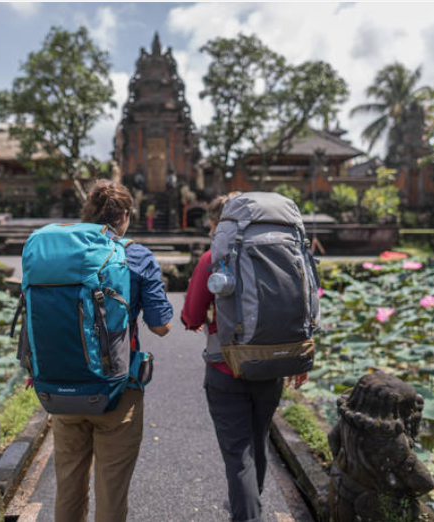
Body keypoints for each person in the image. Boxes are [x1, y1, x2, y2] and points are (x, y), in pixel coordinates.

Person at [181, 195, 308, 522]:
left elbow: (191, 316)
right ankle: (249, 503)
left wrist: (205, 319)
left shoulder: (213, 257)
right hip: (274, 365)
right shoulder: (281, 252)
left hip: (228, 369)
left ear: (217, 224)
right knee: (258, 440)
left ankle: (247, 514)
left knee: (238, 454)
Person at [53, 179, 173, 522]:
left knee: (68, 487)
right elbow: (161, 326)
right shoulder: (135, 255)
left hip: (63, 385)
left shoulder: (63, 251)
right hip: (117, 389)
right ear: (124, 215)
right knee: (111, 490)